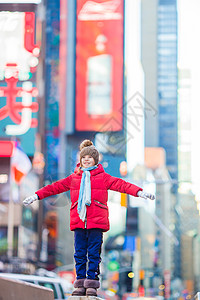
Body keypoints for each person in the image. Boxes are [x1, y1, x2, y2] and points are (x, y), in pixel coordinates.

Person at [23, 139, 155, 297]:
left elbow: (123, 185)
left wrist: (140, 192)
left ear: (95, 160)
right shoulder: (74, 178)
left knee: (93, 254)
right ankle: (79, 283)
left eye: (89, 157)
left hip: (97, 223)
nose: (86, 160)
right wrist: (35, 196)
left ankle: (91, 284)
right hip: (79, 221)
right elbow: (54, 187)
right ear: (80, 160)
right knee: (79, 254)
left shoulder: (104, 178)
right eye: (83, 157)